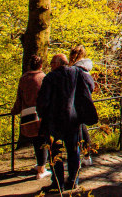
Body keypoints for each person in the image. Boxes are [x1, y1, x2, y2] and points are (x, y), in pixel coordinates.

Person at [37, 53, 95, 191]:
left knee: (55, 152)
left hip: (54, 120)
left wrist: (42, 114)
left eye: (52, 62)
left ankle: (57, 183)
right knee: (73, 150)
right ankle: (74, 180)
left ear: (58, 63)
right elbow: (88, 87)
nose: (50, 65)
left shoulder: (50, 78)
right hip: (73, 118)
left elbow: (43, 100)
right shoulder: (76, 73)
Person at [11, 55, 50, 180]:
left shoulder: (24, 78)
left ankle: (39, 165)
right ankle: (41, 170)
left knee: (35, 139)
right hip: (41, 114)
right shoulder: (43, 78)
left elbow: (19, 97)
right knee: (43, 140)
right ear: (40, 65)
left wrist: (15, 110)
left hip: (27, 113)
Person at [69, 45, 96, 165]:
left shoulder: (76, 70)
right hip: (85, 102)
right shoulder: (86, 70)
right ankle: (86, 156)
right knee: (83, 129)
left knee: (79, 130)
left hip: (76, 102)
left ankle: (79, 157)